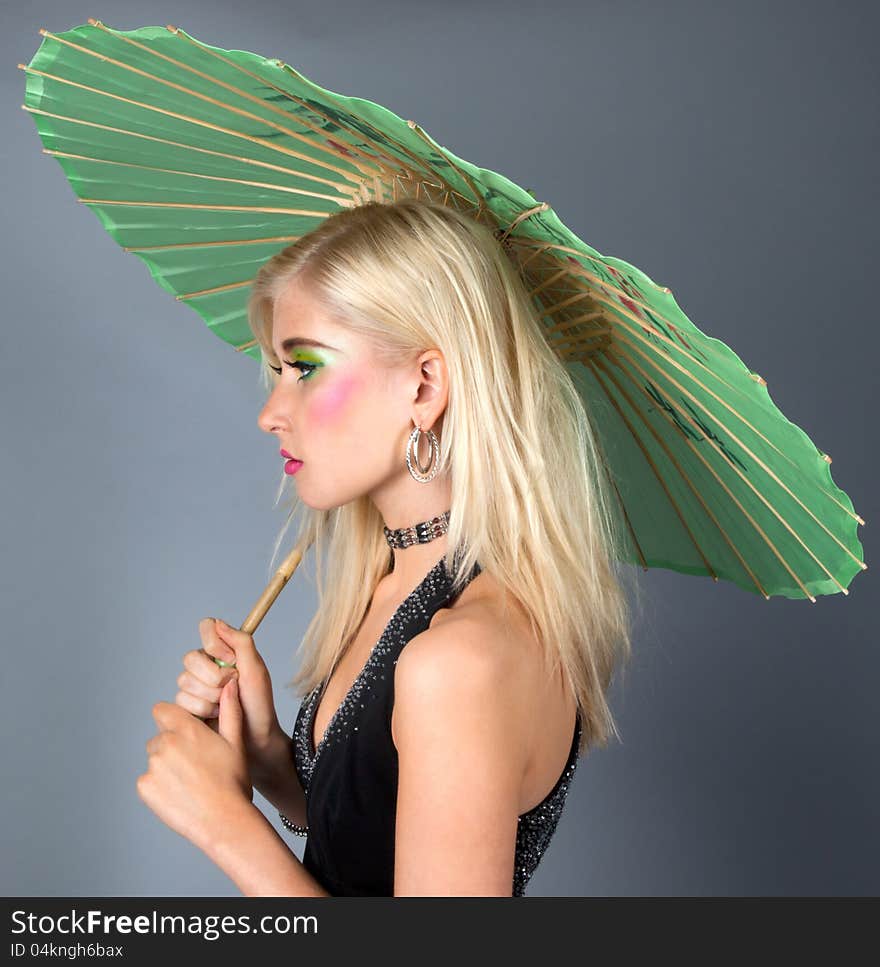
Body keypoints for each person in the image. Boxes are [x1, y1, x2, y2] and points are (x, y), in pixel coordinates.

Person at [158, 198, 637, 896]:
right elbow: (371, 845)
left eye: (306, 368)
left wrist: (227, 826)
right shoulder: (396, 588)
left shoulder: (463, 654)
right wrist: (269, 763)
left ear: (424, 384)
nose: (270, 412)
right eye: (278, 371)